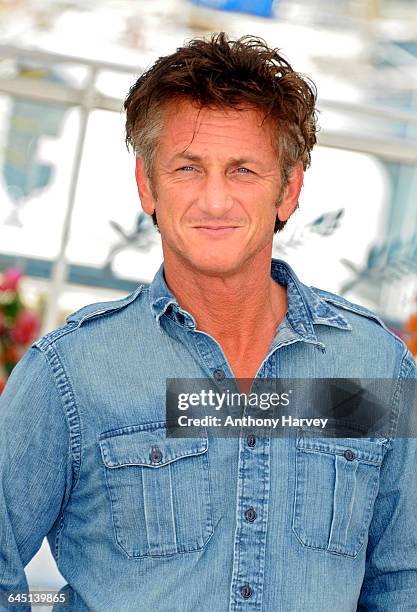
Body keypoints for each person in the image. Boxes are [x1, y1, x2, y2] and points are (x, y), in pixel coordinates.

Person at [0, 32, 416, 612]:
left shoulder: (374, 368)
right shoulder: (70, 375)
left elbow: (403, 584)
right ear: (148, 184)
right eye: (188, 168)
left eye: (243, 170)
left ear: (288, 190)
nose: (215, 201)